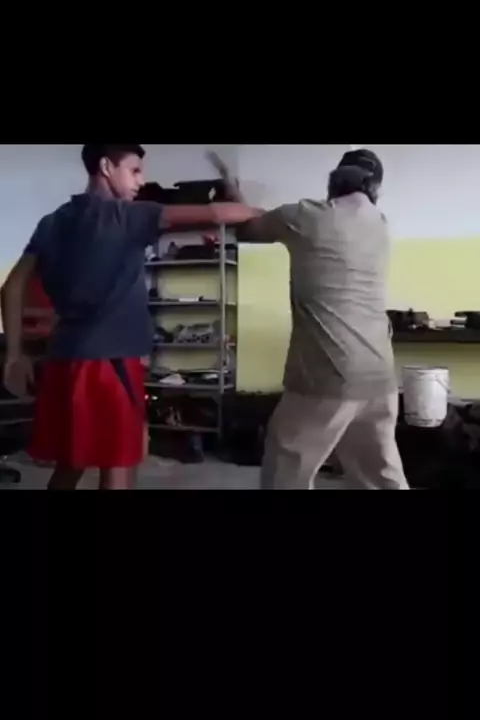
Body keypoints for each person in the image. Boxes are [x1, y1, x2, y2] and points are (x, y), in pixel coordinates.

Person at [0, 143, 260, 490]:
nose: (141, 181)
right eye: (134, 171)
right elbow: (219, 213)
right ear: (106, 167)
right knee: (118, 464)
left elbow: (12, 285)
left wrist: (14, 353)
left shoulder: (53, 221)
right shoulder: (132, 216)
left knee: (73, 459)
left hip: (65, 359)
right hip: (111, 366)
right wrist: (260, 210)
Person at [237, 148, 409, 490]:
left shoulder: (307, 216)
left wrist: (237, 197)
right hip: (379, 374)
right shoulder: (380, 224)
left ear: (334, 180)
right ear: (375, 188)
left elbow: (247, 230)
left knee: (286, 468)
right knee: (379, 474)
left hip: (326, 374)